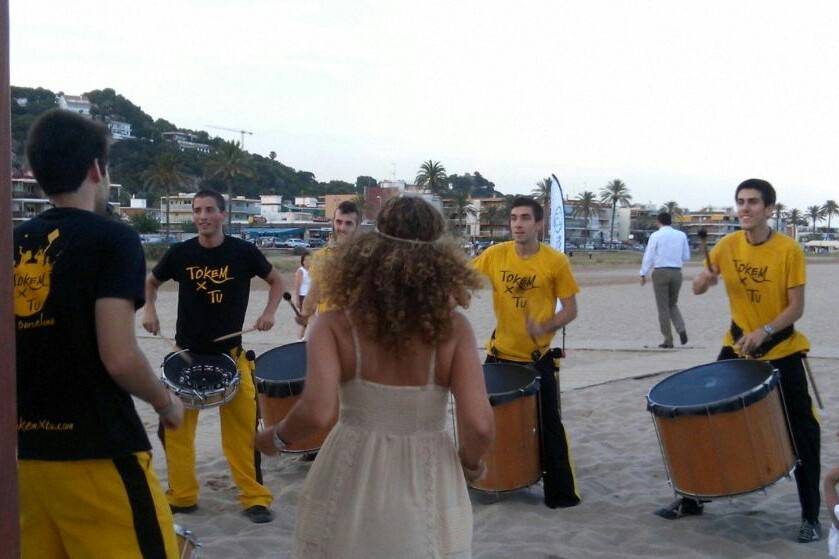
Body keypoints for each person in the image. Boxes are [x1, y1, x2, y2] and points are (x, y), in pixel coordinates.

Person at [256, 196, 494, 558]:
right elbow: (478, 424)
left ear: (371, 250)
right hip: (427, 466)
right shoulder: (454, 330)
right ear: (440, 259)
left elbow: (317, 412)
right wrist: (472, 463)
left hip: (351, 466)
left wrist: (275, 438)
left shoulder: (333, 325)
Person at [15, 109, 184, 558]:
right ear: (96, 169)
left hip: (25, 460)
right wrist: (167, 404)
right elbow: (120, 356)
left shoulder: (11, 242)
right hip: (97, 451)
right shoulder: (112, 239)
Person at [657, 179, 821, 544]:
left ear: (769, 210)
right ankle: (692, 499)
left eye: (753, 203)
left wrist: (764, 329)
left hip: (782, 349)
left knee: (804, 431)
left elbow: (796, 307)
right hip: (737, 344)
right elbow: (707, 278)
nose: (745, 208)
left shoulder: (788, 250)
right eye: (740, 202)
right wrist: (702, 281)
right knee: (700, 416)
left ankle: (810, 515)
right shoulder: (728, 244)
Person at [142, 189, 284, 524]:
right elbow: (150, 282)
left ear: (223, 215)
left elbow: (277, 281)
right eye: (197, 210)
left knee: (243, 432)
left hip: (231, 355)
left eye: (209, 210)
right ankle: (182, 495)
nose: (202, 216)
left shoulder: (243, 252)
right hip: (187, 356)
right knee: (174, 428)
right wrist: (149, 310)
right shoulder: (179, 254)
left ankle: (254, 498)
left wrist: (270, 313)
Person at [471, 196, 581, 508]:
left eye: (524, 218)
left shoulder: (555, 262)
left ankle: (561, 495)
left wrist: (546, 325)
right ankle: (486, 478)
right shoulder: (495, 254)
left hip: (537, 358)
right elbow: (464, 277)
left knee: (549, 425)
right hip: (499, 353)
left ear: (538, 224)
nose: (517, 224)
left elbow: (571, 310)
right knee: (483, 420)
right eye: (514, 218)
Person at [295, 200, 360, 328]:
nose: (342, 228)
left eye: (348, 223)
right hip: (329, 329)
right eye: (339, 222)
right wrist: (305, 314)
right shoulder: (320, 257)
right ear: (332, 222)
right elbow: (314, 292)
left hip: (357, 330)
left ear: (356, 226)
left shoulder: (366, 257)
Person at [639, 212, 691, 348]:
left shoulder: (656, 235)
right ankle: (681, 328)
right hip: (676, 272)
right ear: (671, 221)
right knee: (672, 303)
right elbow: (686, 256)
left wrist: (643, 273)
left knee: (662, 308)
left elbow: (649, 255)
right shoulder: (681, 235)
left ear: (658, 222)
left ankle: (668, 339)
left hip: (661, 271)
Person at [294, 251, 312, 339]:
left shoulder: (313, 271)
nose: (308, 262)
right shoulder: (301, 271)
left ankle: (306, 338)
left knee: (313, 318)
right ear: (303, 261)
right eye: (306, 260)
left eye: (310, 260)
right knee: (305, 319)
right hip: (303, 297)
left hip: (311, 297)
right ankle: (300, 338)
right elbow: (297, 286)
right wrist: (297, 299)